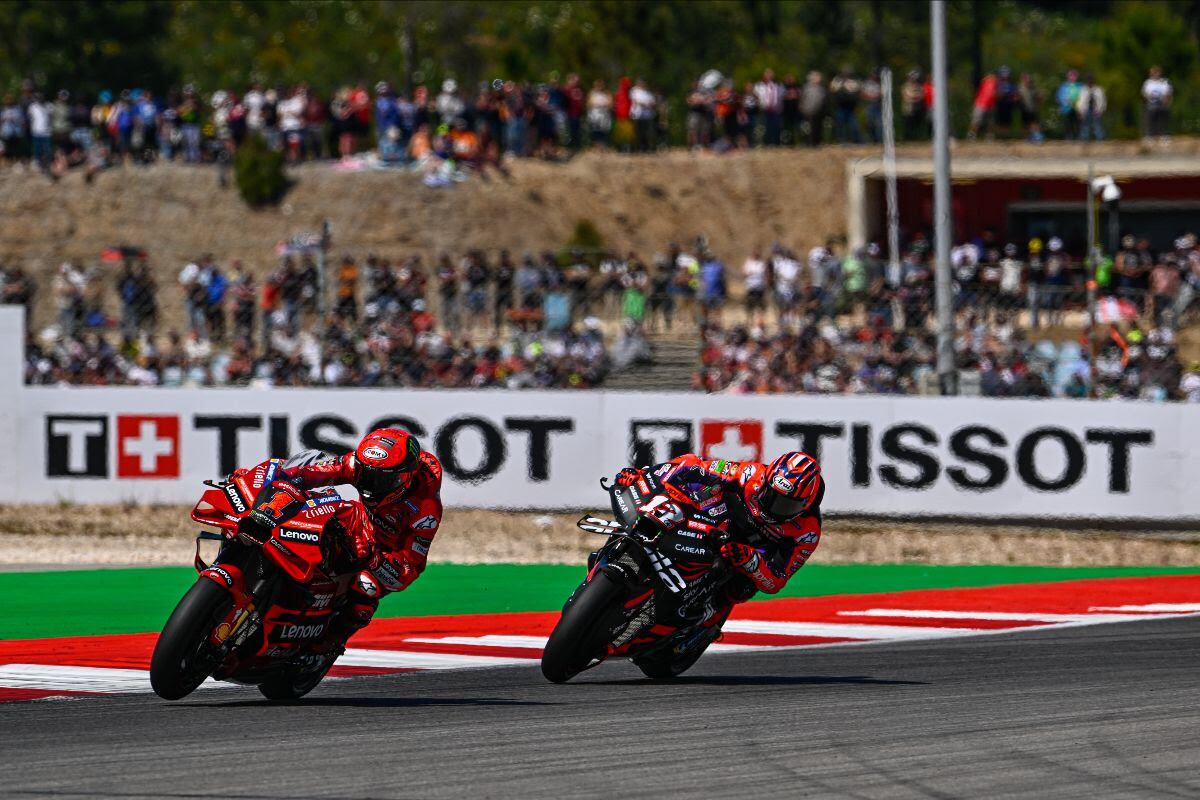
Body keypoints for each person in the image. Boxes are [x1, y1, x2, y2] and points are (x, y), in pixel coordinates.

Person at [233, 428, 443, 654]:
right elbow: (304, 474)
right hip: (356, 523)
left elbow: (408, 570)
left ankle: (328, 645)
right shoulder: (356, 464)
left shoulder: (425, 512)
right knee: (313, 504)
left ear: (406, 477)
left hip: (382, 554)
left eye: (383, 480)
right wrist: (257, 482)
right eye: (367, 475)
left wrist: (374, 561)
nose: (371, 485)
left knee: (367, 587)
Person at [613, 450, 823, 631]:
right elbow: (694, 465)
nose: (773, 506)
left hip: (747, 555)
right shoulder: (750, 474)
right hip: (714, 525)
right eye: (770, 495)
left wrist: (751, 560)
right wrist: (644, 476)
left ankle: (706, 621)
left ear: (806, 505)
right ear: (766, 481)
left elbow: (777, 579)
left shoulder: (807, 532)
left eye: (786, 505)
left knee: (741, 588)